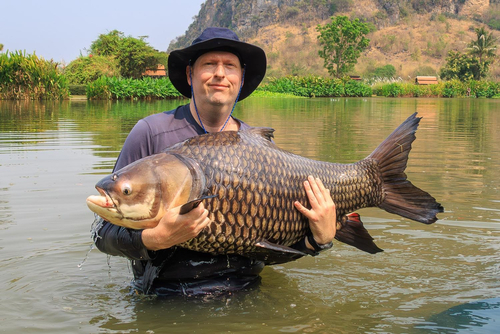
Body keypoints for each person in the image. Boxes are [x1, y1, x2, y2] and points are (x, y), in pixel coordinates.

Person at [92, 27, 337, 296]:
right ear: (190, 74)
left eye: (229, 65)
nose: (220, 73)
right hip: (163, 296)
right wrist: (156, 239)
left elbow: (272, 252)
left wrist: (318, 241)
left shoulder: (262, 152)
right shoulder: (150, 133)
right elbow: (103, 235)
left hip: (245, 294)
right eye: (209, 64)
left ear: (241, 78)